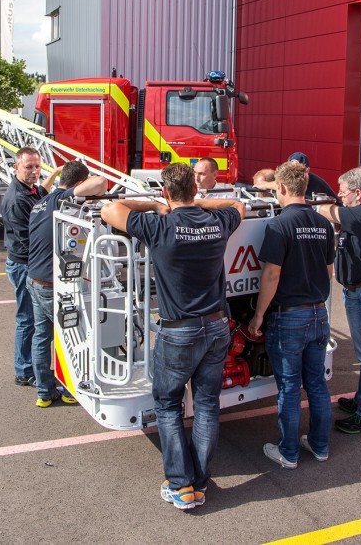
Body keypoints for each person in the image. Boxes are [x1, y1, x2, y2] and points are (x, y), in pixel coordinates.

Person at [101, 163, 245, 511]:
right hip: (216, 325)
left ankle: (181, 485)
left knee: (168, 404)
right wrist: (200, 205)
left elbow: (110, 208)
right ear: (194, 190)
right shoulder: (216, 222)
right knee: (208, 404)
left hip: (179, 330)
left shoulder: (159, 225)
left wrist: (153, 204)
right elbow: (239, 207)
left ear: (166, 191)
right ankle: (198, 480)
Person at [248, 161, 335, 468]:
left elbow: (271, 275)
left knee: (289, 387)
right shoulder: (323, 224)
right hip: (318, 314)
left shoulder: (279, 224)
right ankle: (320, 446)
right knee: (317, 384)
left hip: (289, 317)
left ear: (281, 189)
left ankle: (288, 452)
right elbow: (329, 271)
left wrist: (258, 316)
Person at [315, 166, 361, 434]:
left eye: (343, 192)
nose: (339, 196)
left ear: (358, 194)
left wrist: (318, 204)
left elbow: (330, 211)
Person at [27, 161, 108, 407]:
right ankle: (71, 390)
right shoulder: (61, 198)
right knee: (73, 336)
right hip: (51, 285)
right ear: (79, 184)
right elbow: (101, 183)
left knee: (41, 337)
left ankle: (44, 392)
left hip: (34, 279)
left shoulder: (42, 202)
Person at [1, 147, 47, 388]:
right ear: (16, 167)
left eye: (37, 166)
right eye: (29, 167)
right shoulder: (18, 200)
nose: (34, 171)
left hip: (28, 264)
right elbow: (28, 243)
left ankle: (29, 365)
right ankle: (23, 370)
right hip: (23, 266)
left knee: (32, 318)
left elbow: (45, 194)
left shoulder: (32, 190)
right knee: (27, 319)